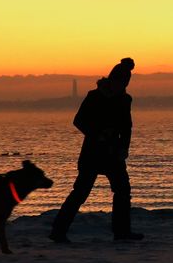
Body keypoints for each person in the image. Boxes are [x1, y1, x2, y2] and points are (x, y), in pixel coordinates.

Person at [50, 57, 143, 244]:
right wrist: (97, 134)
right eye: (120, 82)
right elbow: (79, 120)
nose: (122, 86)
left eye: (125, 83)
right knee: (80, 192)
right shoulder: (94, 96)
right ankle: (58, 231)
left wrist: (124, 148)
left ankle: (122, 232)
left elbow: (127, 127)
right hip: (93, 152)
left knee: (123, 190)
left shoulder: (125, 99)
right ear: (112, 79)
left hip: (113, 153)